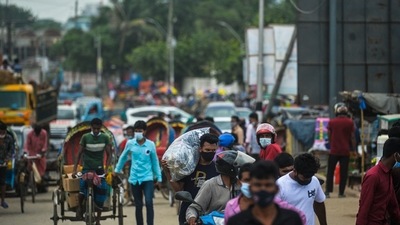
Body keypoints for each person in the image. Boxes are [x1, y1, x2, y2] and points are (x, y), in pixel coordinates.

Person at [162, 133, 219, 225]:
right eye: (207, 150)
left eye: (213, 150)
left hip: (209, 216)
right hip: (187, 214)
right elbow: (178, 189)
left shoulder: (218, 169)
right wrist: (167, 172)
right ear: (200, 149)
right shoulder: (189, 167)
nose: (210, 153)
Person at [224, 163, 306, 225]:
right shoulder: (236, 222)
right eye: (258, 185)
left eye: (268, 185)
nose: (263, 189)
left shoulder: (292, 219)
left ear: (276, 189)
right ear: (251, 188)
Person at [186, 150, 252, 225]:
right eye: (238, 166)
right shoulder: (211, 185)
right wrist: (192, 217)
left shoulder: (242, 185)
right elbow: (195, 208)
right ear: (231, 168)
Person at [115, 120, 162, 225]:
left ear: (144, 131)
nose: (138, 133)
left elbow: (155, 162)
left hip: (148, 178)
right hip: (134, 178)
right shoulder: (130, 143)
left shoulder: (150, 145)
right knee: (138, 205)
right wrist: (117, 170)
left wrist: (159, 178)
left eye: (140, 131)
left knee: (149, 202)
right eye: (136, 131)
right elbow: (123, 157)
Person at [73, 118, 112, 225]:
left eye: (98, 129)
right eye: (94, 128)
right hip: (86, 169)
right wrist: (74, 169)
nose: (95, 130)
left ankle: (98, 219)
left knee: (103, 190)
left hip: (99, 169)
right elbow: (79, 154)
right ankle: (79, 208)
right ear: (91, 127)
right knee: (82, 188)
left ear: (100, 128)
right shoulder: (85, 137)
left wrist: (107, 169)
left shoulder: (105, 137)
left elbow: (109, 155)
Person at [356, 137, 400, 225]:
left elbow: (393, 206)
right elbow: (364, 207)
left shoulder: (388, 174)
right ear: (396, 155)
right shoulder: (373, 176)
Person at [277, 153, 327, 225]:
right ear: (295, 171)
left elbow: (319, 203)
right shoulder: (280, 185)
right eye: (304, 178)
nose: (308, 181)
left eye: (310, 177)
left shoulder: (314, 181)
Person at [325, 103, 356, 198]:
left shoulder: (332, 122)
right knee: (344, 172)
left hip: (334, 151)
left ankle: (327, 192)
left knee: (330, 171)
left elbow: (329, 135)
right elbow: (352, 137)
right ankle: (341, 193)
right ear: (346, 113)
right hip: (345, 151)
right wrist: (354, 149)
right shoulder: (350, 122)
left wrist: (332, 144)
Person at [0, 121, 15, 209]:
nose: (2, 134)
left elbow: (11, 150)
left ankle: (2, 200)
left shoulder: (9, 138)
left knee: (2, 182)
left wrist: (6, 159)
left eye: (3, 132)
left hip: (3, 163)